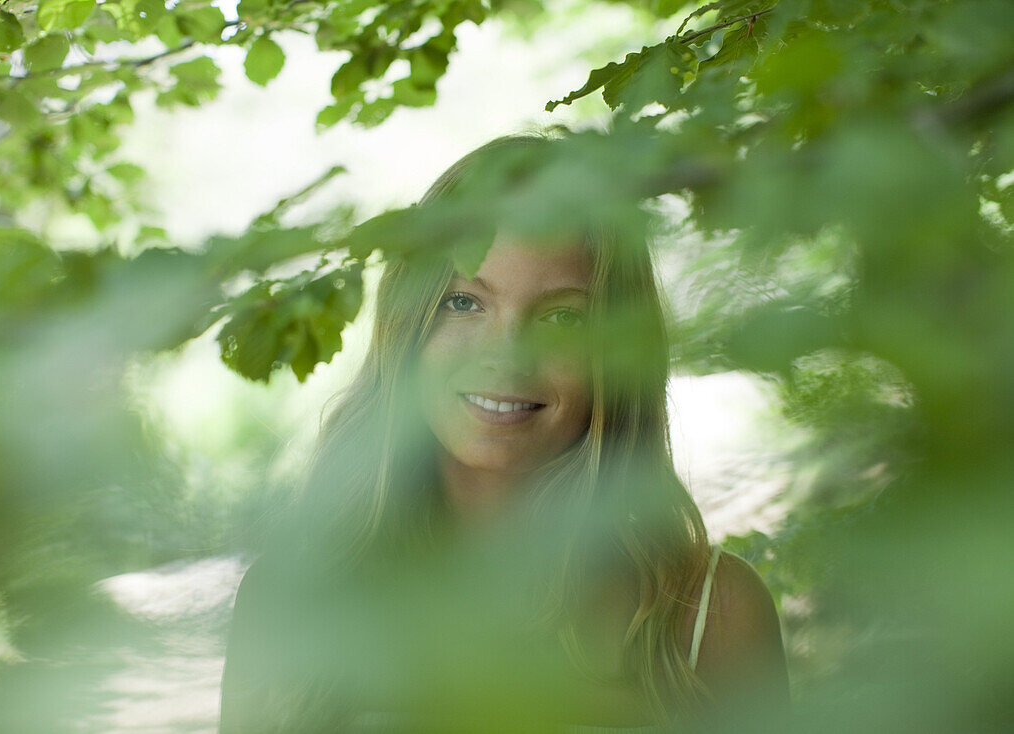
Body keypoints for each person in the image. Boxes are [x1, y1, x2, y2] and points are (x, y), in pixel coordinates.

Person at [219, 133, 789, 733]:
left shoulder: (712, 615)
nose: (507, 356)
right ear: (407, 328)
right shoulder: (290, 600)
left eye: (564, 316)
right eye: (465, 304)